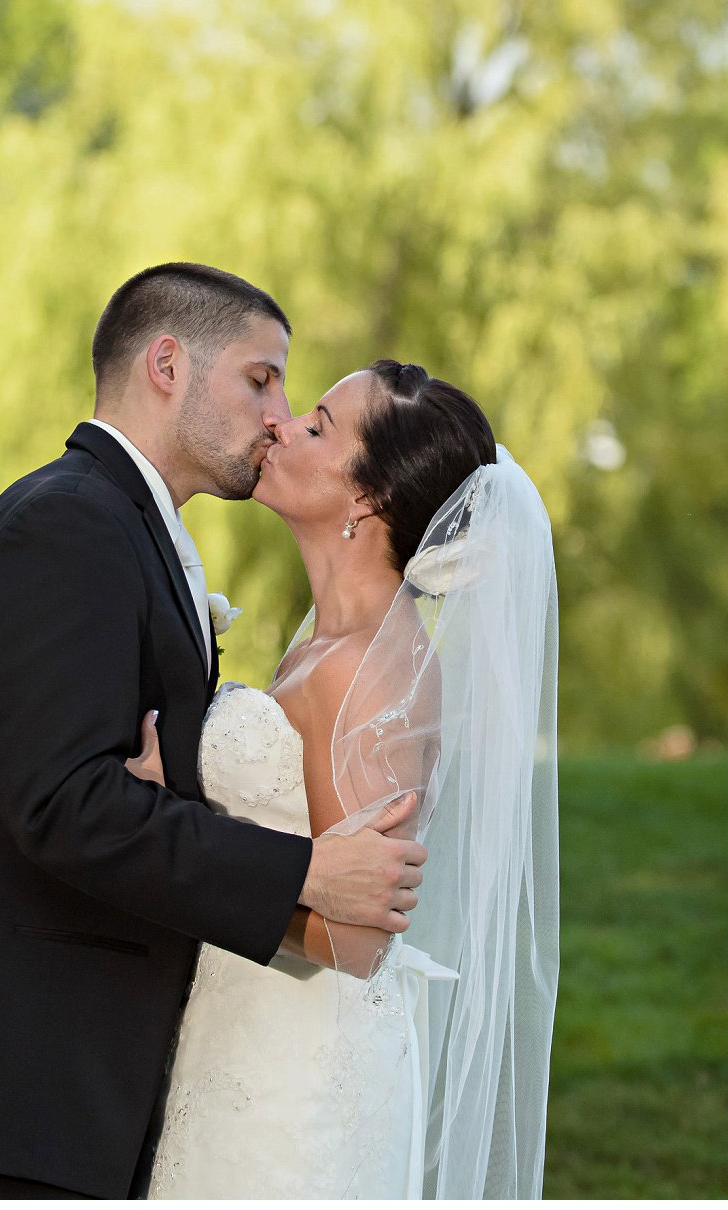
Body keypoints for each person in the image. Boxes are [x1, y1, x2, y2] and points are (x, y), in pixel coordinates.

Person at [0, 264, 429, 1199]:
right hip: (5, 1102)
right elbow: (65, 803)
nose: (279, 414)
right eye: (261, 379)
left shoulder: (117, 525)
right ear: (167, 364)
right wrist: (307, 874)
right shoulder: (70, 527)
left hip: (65, 1098)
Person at [137, 360, 559, 1198]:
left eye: (318, 426)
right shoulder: (329, 647)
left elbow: (358, 942)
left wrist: (173, 852)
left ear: (365, 499)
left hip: (296, 1069)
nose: (280, 426)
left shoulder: (371, 674)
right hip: (246, 1026)